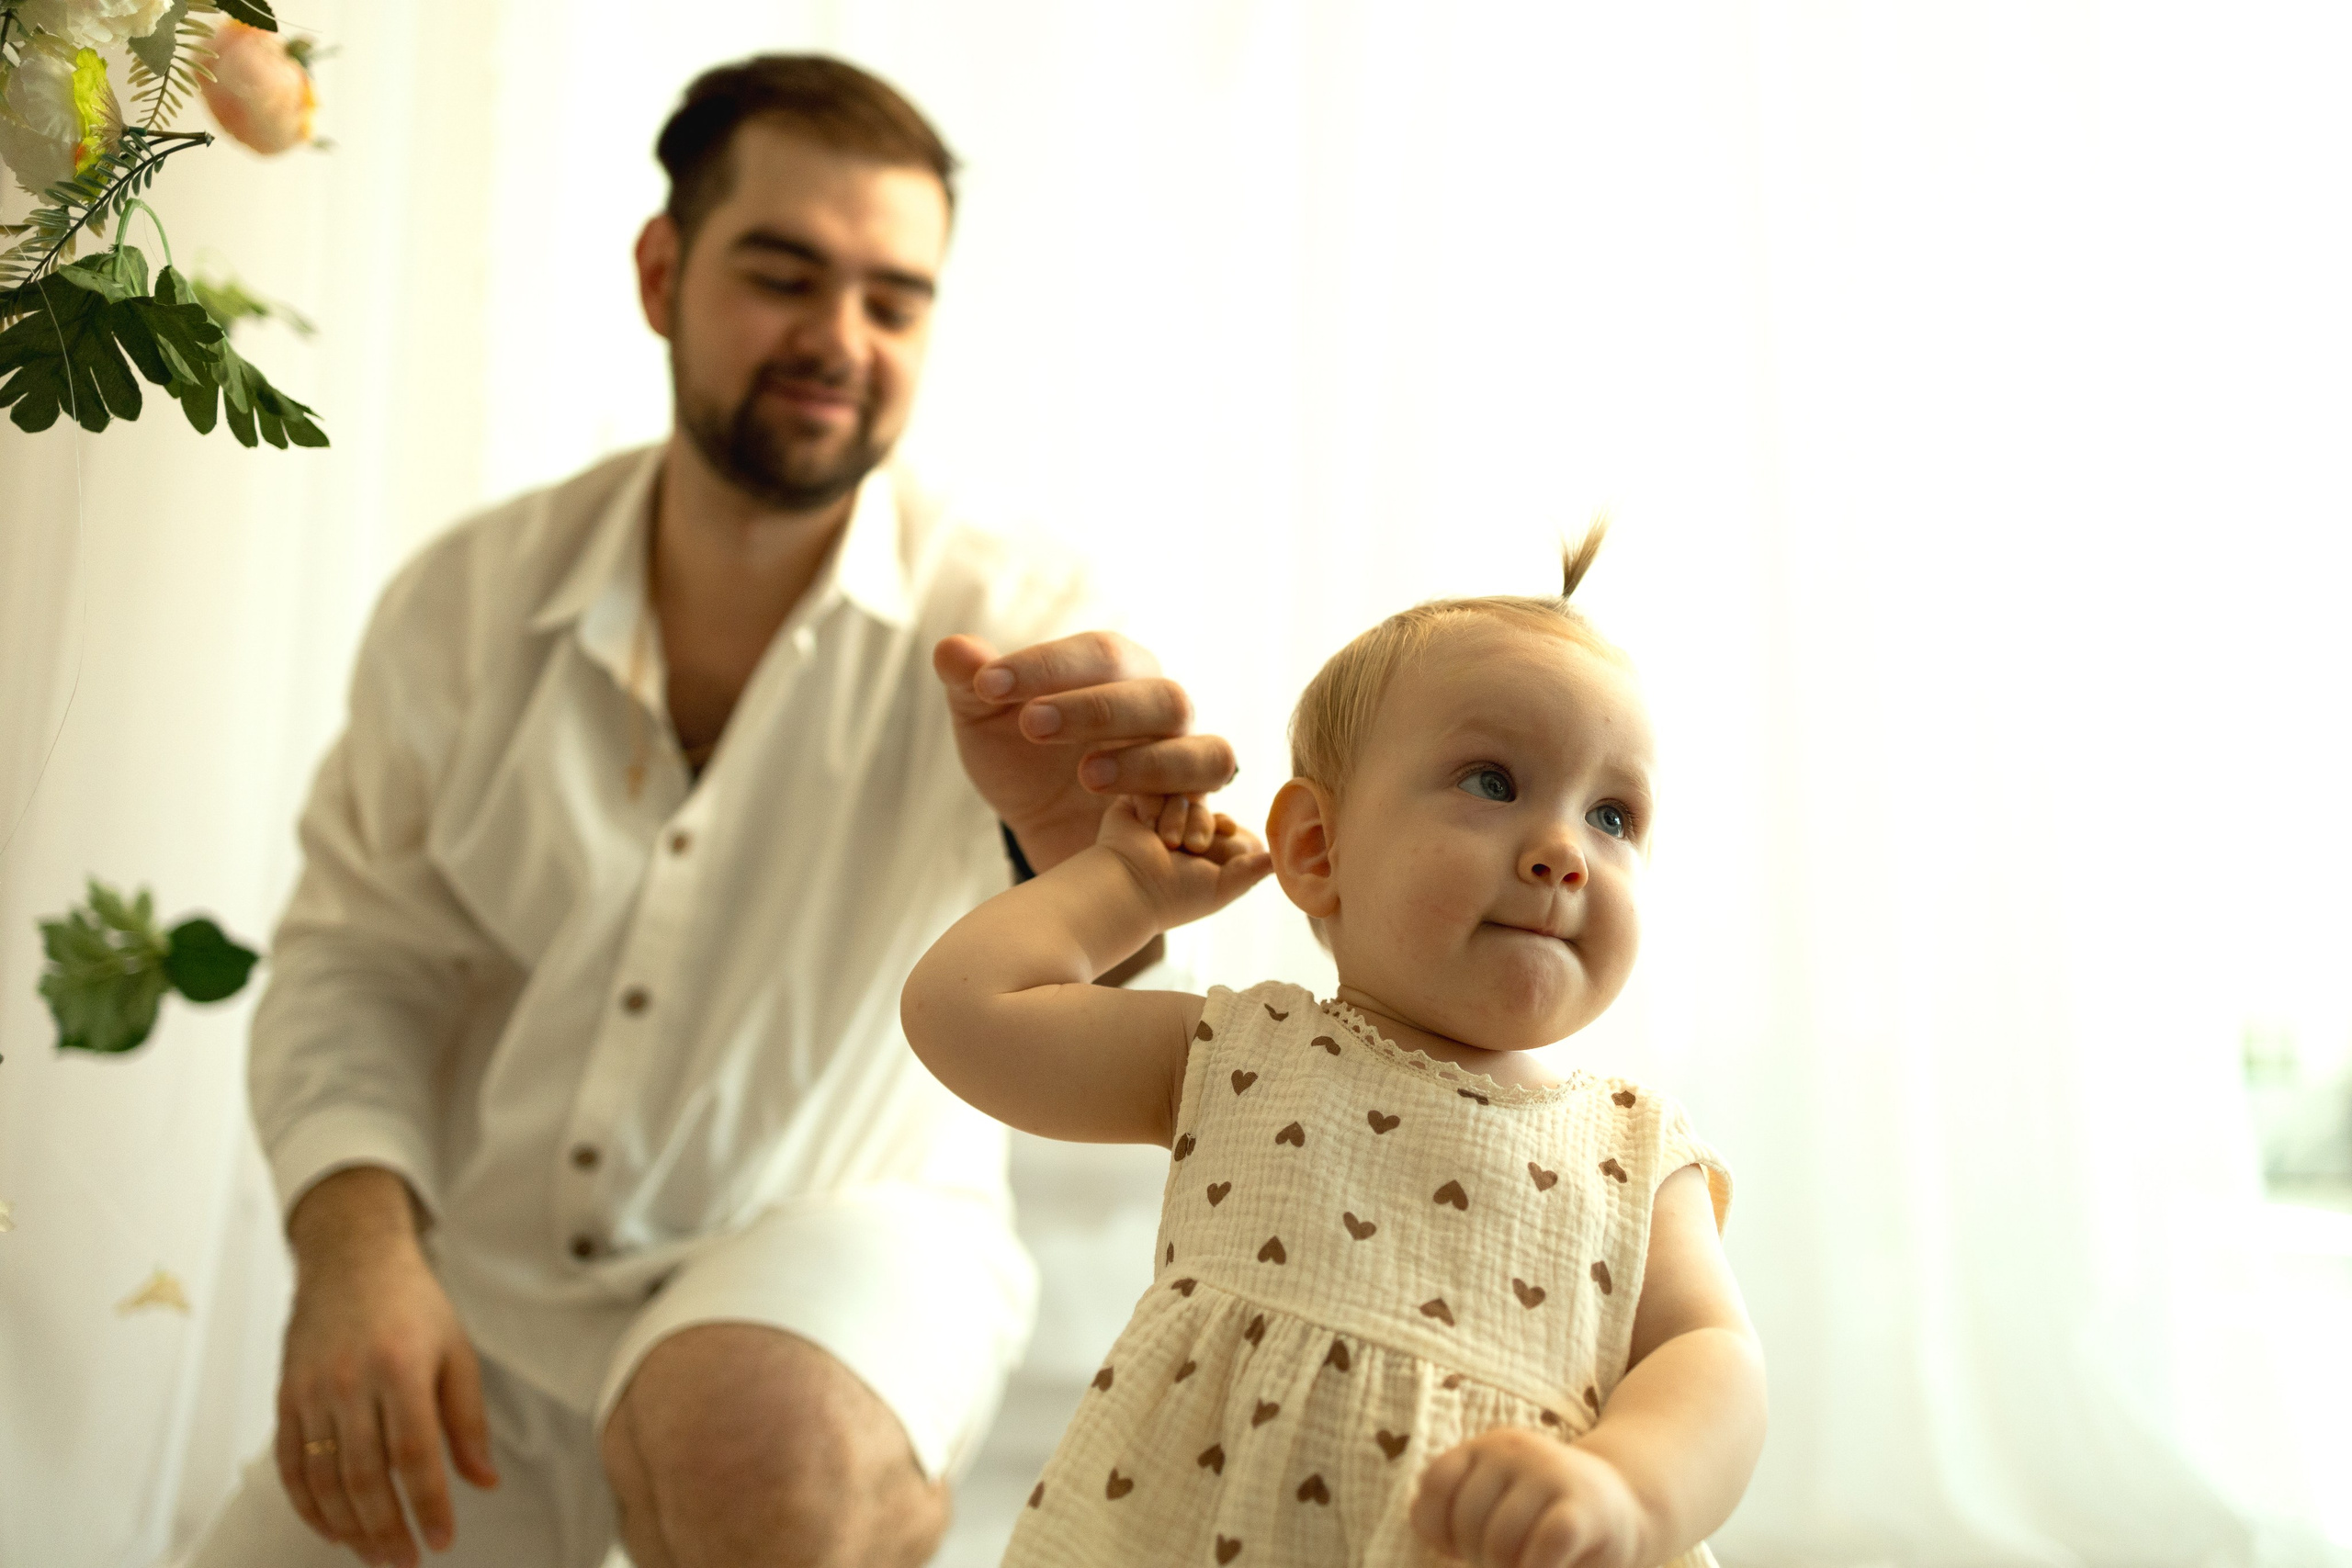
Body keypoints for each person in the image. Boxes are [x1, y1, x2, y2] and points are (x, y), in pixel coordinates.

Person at [189, 54, 1241, 1568]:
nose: (841, 338)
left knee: (754, 1430)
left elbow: (1095, 983)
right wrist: (357, 1255)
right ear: (660, 270)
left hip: (848, 1243)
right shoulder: (461, 606)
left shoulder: (1018, 622)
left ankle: (865, 1483)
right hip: (487, 1294)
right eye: (785, 274)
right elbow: (358, 961)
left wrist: (1084, 861)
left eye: (895, 297)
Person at [900, 533, 1768, 1567]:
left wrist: (1625, 1488)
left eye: (1612, 815)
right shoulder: (1241, 1055)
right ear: (1316, 849)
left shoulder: (1635, 1152)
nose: (1562, 852)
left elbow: (1712, 1362)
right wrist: (1124, 890)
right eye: (1492, 783)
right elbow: (963, 1010)